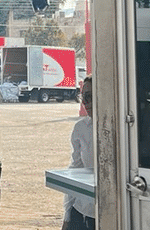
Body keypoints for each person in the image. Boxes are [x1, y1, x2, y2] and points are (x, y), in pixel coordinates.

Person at [62, 76, 95, 230]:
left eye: (89, 97)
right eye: (83, 97)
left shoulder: (123, 129)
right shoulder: (81, 128)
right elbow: (76, 170)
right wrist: (67, 215)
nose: (85, 103)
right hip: (83, 210)